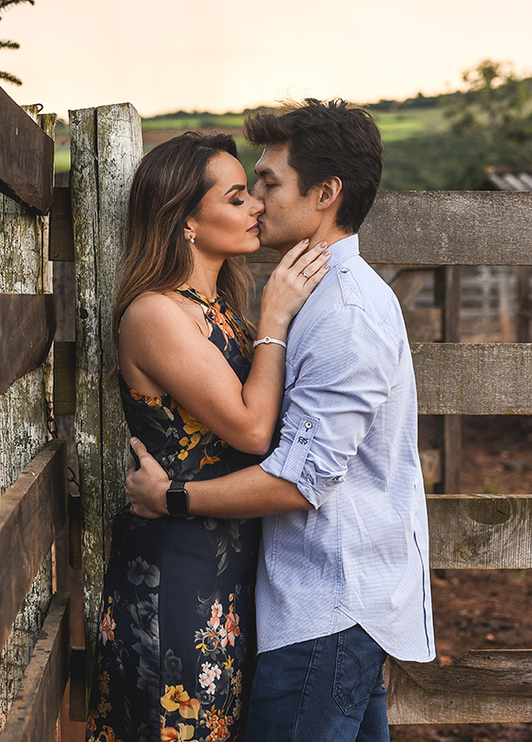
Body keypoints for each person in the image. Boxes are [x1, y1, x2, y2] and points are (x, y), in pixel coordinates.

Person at [125, 99, 436, 742]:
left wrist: (172, 497)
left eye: (267, 183)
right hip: (299, 601)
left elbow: (301, 478)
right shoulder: (302, 302)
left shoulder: (343, 312)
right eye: (245, 189)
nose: (258, 201)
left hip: (328, 608)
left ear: (325, 193)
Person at [86, 131, 332, 742]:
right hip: (176, 571)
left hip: (231, 573)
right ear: (186, 222)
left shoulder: (222, 311)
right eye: (237, 197)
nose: (257, 206)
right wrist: (276, 317)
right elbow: (252, 429)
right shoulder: (157, 314)